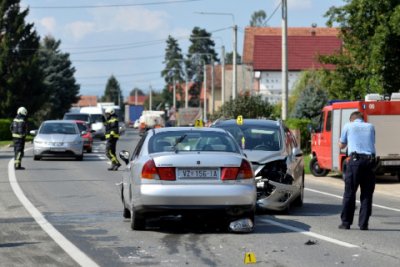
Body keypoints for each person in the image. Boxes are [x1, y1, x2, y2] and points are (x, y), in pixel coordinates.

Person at [338, 111, 376, 231]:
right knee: (367, 194)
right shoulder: (370, 126)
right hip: (369, 162)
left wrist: (340, 143)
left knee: (350, 193)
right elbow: (372, 142)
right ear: (362, 119)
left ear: (351, 119)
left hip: (355, 162)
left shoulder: (348, 126)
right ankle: (364, 224)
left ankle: (346, 223)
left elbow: (342, 145)